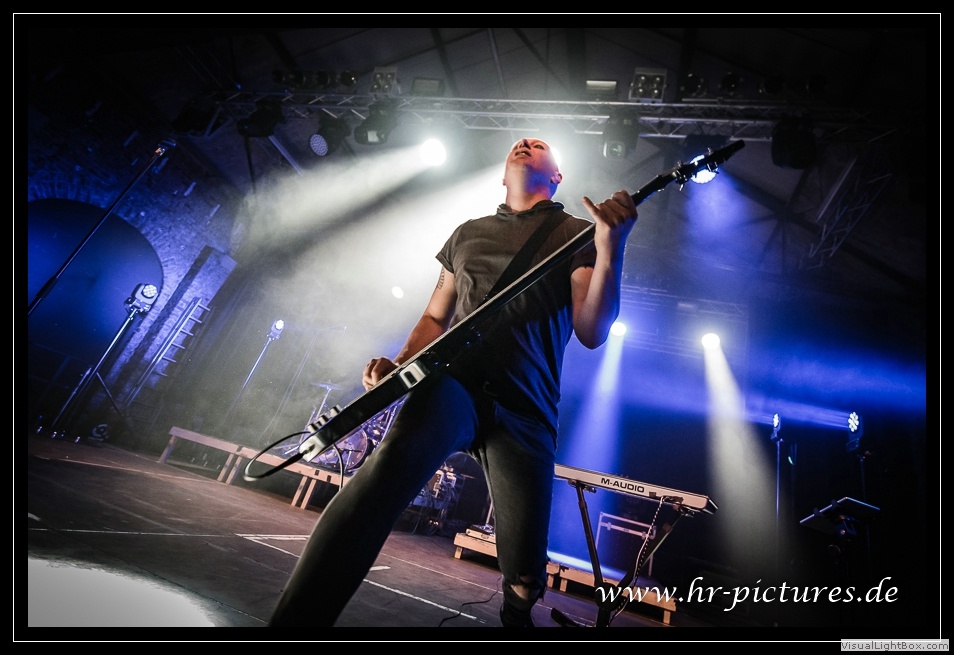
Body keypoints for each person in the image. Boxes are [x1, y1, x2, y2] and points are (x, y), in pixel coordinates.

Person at [269, 137, 638, 628]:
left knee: (526, 575)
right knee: (383, 476)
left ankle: (517, 613)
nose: (526, 143)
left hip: (526, 408)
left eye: (539, 145)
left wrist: (612, 248)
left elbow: (591, 331)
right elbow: (433, 317)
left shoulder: (575, 233)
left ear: (557, 177)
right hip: (454, 384)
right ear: (502, 174)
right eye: (519, 143)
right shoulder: (467, 234)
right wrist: (400, 364)